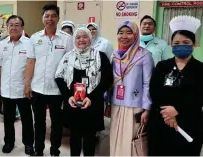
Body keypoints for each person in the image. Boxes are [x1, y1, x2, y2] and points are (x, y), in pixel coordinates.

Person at [147, 15, 203, 156]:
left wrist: (178, 110)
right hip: (161, 121)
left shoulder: (200, 69)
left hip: (189, 122)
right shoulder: (162, 66)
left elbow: (200, 96)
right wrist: (168, 112)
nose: (181, 46)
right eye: (176, 43)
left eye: (186, 42)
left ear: (194, 44)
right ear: (171, 44)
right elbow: (154, 90)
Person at [55, 27, 113, 156]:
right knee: (74, 135)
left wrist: (91, 97)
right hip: (73, 101)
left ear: (90, 38)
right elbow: (58, 76)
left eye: (84, 36)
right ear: (74, 40)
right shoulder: (68, 56)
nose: (81, 40)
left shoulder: (100, 56)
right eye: (78, 37)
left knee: (90, 137)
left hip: (93, 102)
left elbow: (107, 79)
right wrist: (68, 96)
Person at [25, 4, 74, 156]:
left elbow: (70, 65)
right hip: (38, 87)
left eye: (53, 16)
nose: (50, 19)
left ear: (58, 18)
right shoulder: (34, 38)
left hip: (57, 90)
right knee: (38, 123)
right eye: (47, 16)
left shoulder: (67, 39)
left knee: (56, 123)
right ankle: (39, 150)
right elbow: (30, 62)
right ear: (42, 18)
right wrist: (27, 84)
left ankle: (55, 150)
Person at [109, 21, 154, 156]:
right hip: (116, 103)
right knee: (116, 138)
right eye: (121, 33)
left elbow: (148, 83)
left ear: (135, 35)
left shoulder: (145, 55)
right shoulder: (114, 55)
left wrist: (147, 108)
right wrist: (107, 102)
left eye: (129, 33)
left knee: (131, 140)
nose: (124, 36)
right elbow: (110, 82)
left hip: (135, 106)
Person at [0, 15, 34, 155]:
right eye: (11, 24)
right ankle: (9, 142)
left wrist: (28, 84)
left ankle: (29, 144)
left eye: (17, 24)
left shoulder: (29, 43)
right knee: (8, 119)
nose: (14, 27)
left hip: (23, 89)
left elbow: (31, 63)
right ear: (7, 27)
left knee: (27, 119)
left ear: (22, 27)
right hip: (6, 88)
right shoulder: (2, 44)